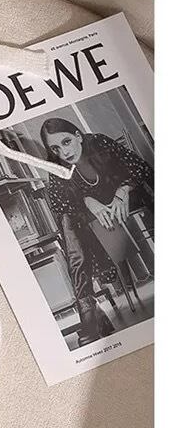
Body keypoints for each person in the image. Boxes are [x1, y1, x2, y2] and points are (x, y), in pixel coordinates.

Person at [40, 117, 154, 346]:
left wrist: (124, 190)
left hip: (126, 202)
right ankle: (88, 309)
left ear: (78, 136)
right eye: (55, 148)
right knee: (68, 223)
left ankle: (90, 315)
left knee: (72, 224)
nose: (63, 152)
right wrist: (87, 200)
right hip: (95, 219)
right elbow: (60, 207)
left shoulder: (99, 143)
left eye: (66, 141)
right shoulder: (57, 167)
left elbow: (140, 168)